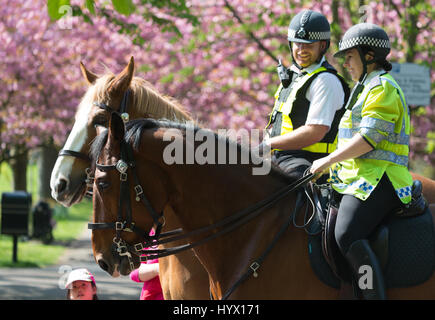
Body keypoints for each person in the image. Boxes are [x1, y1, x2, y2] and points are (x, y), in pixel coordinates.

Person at [310, 23, 414, 299]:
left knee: (346, 233)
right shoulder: (361, 88)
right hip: (356, 177)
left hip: (383, 177)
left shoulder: (383, 88)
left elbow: (368, 139)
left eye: (350, 56)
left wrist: (326, 161)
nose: (345, 63)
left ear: (369, 56)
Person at [262, 10, 349, 180]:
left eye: (308, 45)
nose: (301, 50)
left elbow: (315, 132)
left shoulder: (326, 81)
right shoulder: (294, 76)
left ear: (322, 46)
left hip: (311, 162)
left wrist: (268, 144)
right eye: (298, 44)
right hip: (280, 157)